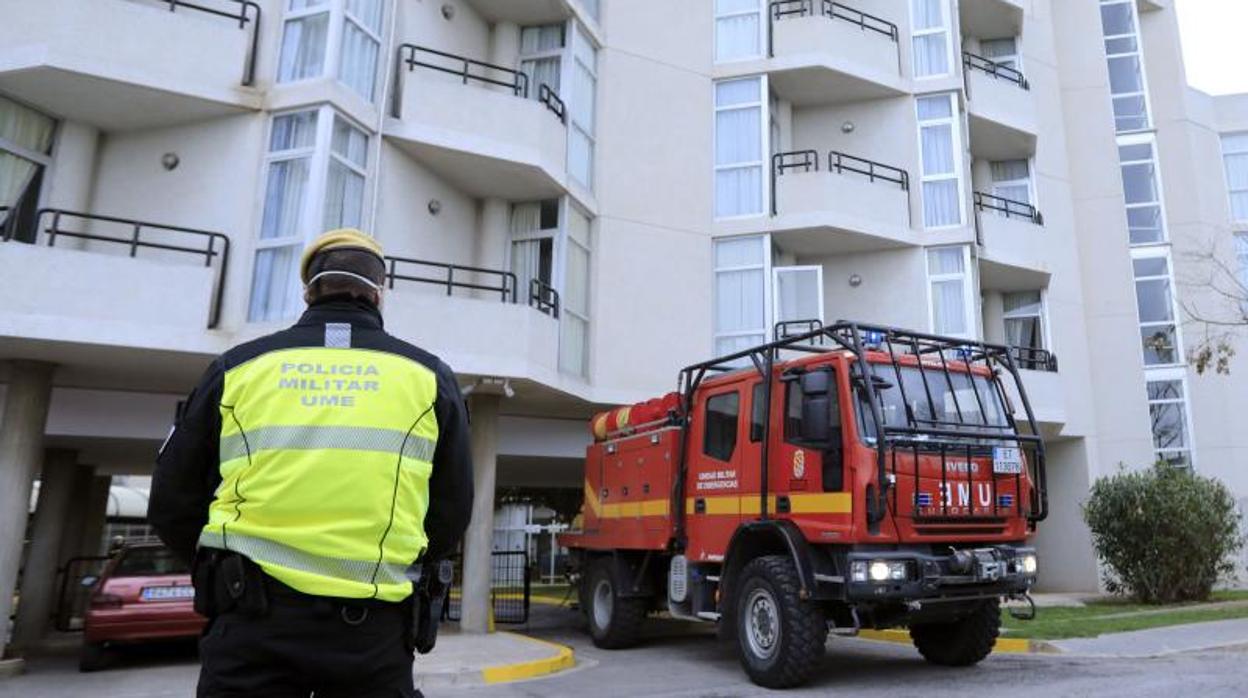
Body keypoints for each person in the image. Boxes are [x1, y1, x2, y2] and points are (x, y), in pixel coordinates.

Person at [149, 229, 473, 697]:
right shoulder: (430, 378)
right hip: (371, 635)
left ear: (307, 292)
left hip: (251, 625)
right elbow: (450, 513)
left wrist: (223, 574)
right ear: (379, 295)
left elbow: (172, 503)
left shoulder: (236, 368)